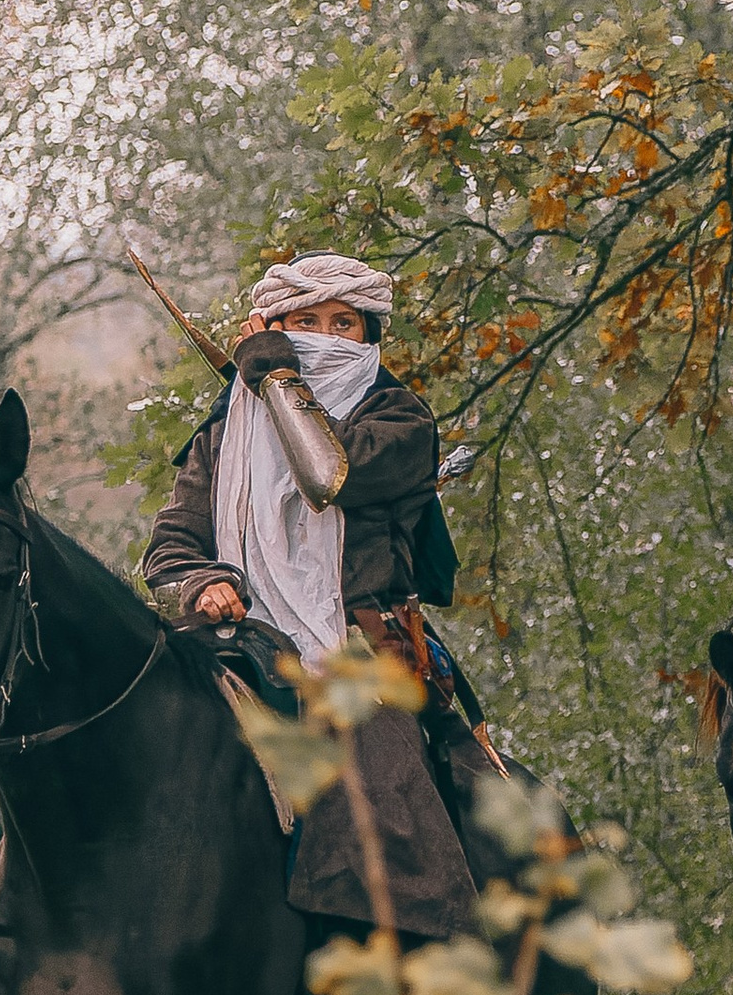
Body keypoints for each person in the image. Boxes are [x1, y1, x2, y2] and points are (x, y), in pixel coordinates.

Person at [145, 249, 488, 941]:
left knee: (387, 814)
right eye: (305, 321)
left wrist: (274, 370)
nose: (326, 338)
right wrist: (204, 580)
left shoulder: (400, 420)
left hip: (358, 657)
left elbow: (332, 473)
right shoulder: (219, 436)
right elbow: (170, 548)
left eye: (345, 324)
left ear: (370, 337)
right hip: (229, 650)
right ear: (272, 323)